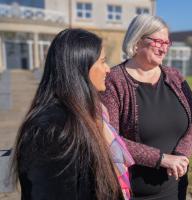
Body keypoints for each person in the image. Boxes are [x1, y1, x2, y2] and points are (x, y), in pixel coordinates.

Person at [11, 28, 134, 200]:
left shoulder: (89, 114)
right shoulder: (51, 129)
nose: (108, 69)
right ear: (80, 66)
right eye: (103, 62)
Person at [101, 14, 192, 200]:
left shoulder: (175, 77)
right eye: (158, 42)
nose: (164, 48)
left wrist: (181, 156)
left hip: (176, 188)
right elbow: (110, 140)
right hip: (134, 192)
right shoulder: (114, 81)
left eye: (167, 43)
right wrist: (161, 159)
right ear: (137, 41)